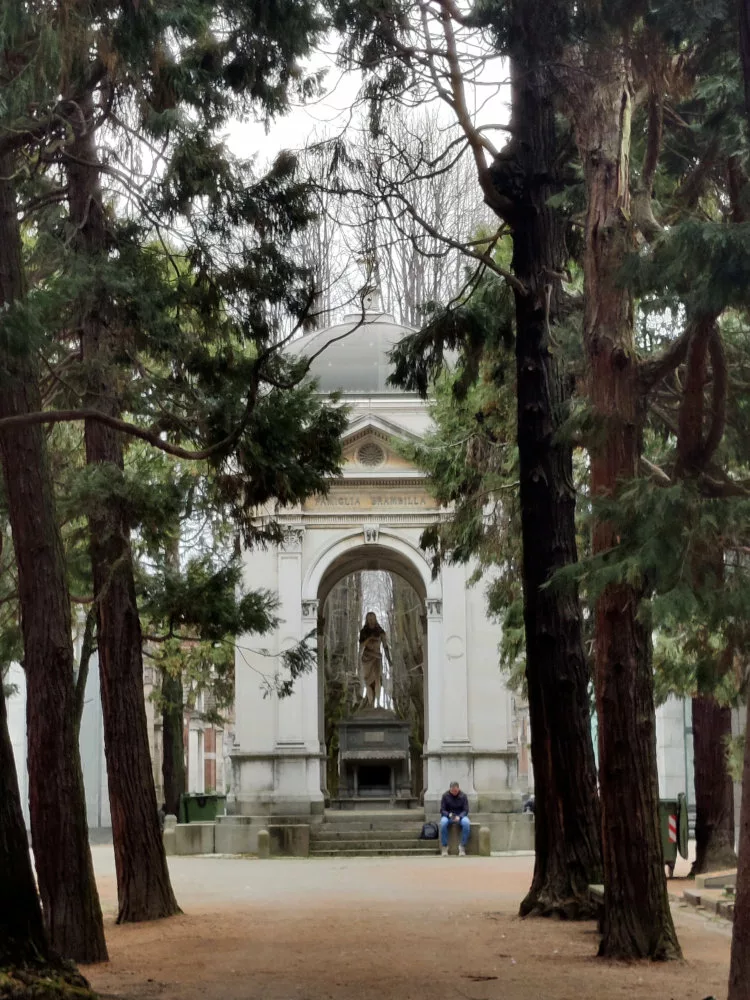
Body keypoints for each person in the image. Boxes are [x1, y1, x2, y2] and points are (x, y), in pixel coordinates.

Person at [358, 611, 391, 707]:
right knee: (368, 681)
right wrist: (369, 639)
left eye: (373, 618)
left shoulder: (380, 631)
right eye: (369, 619)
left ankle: (377, 703)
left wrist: (389, 660)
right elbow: (361, 646)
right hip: (366, 658)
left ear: (375, 619)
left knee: (377, 680)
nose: (371, 621)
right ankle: (370, 702)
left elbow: (385, 646)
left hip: (377, 657)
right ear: (367, 620)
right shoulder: (363, 632)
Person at [439, 781, 470, 857]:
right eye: (452, 791)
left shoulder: (463, 796)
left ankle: (462, 846)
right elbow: (442, 810)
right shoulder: (445, 796)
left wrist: (459, 817)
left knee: (466, 823)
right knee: (443, 823)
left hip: (460, 816)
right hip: (448, 816)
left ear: (458, 789)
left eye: (456, 791)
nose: (454, 793)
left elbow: (466, 810)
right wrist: (450, 815)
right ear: (450, 789)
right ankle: (445, 846)